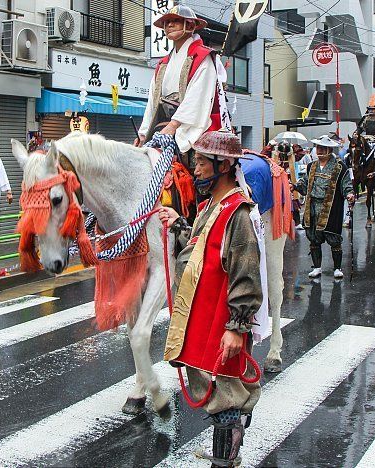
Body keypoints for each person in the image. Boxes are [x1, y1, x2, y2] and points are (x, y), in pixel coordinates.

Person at [158, 131, 262, 467]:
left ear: (225, 164)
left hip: (221, 321)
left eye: (203, 161)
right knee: (213, 391)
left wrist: (236, 327)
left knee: (226, 397)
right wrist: (179, 225)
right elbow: (201, 247)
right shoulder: (210, 206)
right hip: (201, 319)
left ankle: (226, 461)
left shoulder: (239, 213)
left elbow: (245, 275)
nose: (196, 168)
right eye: (196, 160)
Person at [136, 5, 223, 170]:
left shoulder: (202, 56)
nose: (169, 25)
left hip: (193, 124)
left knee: (201, 170)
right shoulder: (163, 63)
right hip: (165, 125)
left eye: (175, 21)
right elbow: (152, 102)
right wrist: (143, 133)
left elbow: (197, 98)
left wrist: (174, 126)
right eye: (167, 22)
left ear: (190, 26)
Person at [295, 135, 355, 279]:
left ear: (329, 149)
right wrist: (295, 186)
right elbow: (304, 185)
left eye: (323, 148)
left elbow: (346, 185)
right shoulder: (311, 166)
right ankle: (317, 267)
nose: (319, 151)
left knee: (333, 237)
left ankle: (337, 268)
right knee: (314, 239)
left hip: (330, 207)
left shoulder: (340, 167)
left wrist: (349, 194)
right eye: (318, 148)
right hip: (313, 206)